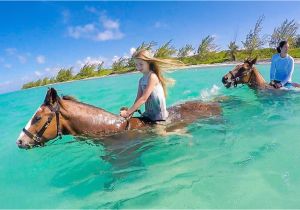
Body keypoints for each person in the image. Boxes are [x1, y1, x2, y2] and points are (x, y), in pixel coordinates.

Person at [120, 49, 184, 123]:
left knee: (159, 133)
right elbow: (138, 98)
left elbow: (144, 98)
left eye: (141, 64)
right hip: (149, 113)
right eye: (136, 65)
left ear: (149, 63)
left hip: (158, 114)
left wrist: (127, 113)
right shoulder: (141, 80)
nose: (138, 67)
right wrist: (131, 113)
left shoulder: (152, 76)